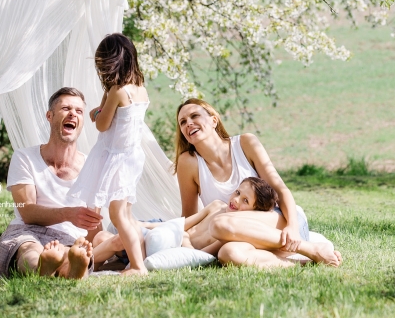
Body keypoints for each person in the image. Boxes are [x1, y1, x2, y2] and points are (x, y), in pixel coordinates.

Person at [175, 99, 342, 268]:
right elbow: (189, 217)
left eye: (194, 116)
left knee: (221, 222)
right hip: (240, 236)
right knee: (228, 253)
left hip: (280, 223)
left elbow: (280, 190)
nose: (188, 123)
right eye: (182, 122)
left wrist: (292, 226)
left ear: (213, 120)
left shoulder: (245, 143)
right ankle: (301, 263)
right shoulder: (188, 162)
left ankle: (308, 248)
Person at [0, 87, 101, 279]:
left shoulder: (91, 166)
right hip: (27, 231)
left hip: (69, 238)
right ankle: (42, 267)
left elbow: (93, 224)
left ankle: (71, 266)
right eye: (66, 108)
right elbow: (27, 211)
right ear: (49, 116)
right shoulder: (25, 157)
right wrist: (68, 213)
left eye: (79, 111)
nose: (72, 114)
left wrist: (88, 245)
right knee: (29, 249)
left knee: (72, 252)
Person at [67, 33, 149, 276]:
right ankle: (137, 259)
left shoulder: (117, 91)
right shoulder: (139, 89)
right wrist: (104, 107)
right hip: (132, 157)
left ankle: (137, 266)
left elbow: (102, 124)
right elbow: (118, 118)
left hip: (117, 158)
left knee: (116, 213)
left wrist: (96, 113)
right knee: (126, 213)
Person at [91, 177, 281, 266]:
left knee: (108, 240)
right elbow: (182, 224)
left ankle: (79, 266)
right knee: (103, 236)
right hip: (166, 232)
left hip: (171, 246)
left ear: (254, 212)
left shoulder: (230, 233)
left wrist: (185, 241)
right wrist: (144, 225)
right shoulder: (216, 206)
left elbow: (203, 257)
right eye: (238, 192)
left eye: (245, 201)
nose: (236, 200)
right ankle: (90, 267)